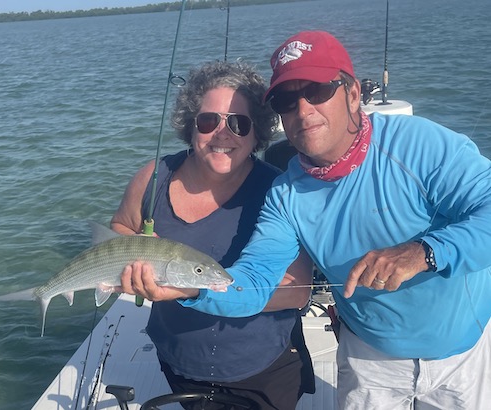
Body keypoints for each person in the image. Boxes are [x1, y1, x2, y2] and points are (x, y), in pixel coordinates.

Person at [121, 31, 491, 409]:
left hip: (463, 351)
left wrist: (423, 252)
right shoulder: (286, 195)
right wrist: (188, 288)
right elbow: (256, 281)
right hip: (369, 355)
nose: (303, 110)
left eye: (317, 90)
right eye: (287, 99)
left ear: (352, 94)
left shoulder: (420, 145)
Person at [112, 60, 315, 410]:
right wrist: (133, 259)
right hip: (177, 363)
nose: (223, 134)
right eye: (209, 121)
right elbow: (121, 227)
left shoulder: (279, 191)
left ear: (257, 133)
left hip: (264, 370)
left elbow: (296, 292)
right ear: (191, 126)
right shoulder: (153, 179)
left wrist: (192, 289)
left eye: (239, 123)